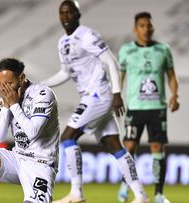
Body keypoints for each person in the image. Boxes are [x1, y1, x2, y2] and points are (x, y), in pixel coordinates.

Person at [41, 1, 149, 203]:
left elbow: (111, 61)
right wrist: (41, 84)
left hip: (98, 94)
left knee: (67, 137)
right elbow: (65, 72)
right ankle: (141, 196)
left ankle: (76, 193)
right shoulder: (62, 42)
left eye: (69, 12)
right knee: (114, 145)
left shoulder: (87, 35)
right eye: (61, 13)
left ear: (78, 14)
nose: (65, 16)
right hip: (91, 96)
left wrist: (117, 93)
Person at [0, 58, 60, 203]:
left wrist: (13, 105)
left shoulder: (43, 95)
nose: (4, 89)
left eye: (9, 83)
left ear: (22, 78)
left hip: (40, 164)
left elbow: (32, 132)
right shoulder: (7, 99)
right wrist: (6, 107)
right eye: (0, 84)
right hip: (17, 159)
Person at [117, 11, 179, 203]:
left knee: (157, 147)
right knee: (129, 147)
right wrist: (116, 96)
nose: (146, 29)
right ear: (135, 29)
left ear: (153, 27)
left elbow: (171, 76)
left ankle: (159, 194)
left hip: (156, 107)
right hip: (135, 107)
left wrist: (175, 95)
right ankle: (125, 185)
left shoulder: (163, 50)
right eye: (142, 25)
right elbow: (120, 77)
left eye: (148, 25)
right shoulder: (126, 51)